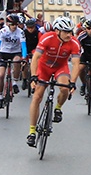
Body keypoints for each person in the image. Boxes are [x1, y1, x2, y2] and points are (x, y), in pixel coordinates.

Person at [26, 16, 81, 147]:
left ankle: (57, 108)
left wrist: (73, 81)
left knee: (65, 88)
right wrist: (33, 75)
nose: (69, 34)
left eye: (70, 31)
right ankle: (32, 132)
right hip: (44, 67)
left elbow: (76, 64)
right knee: (37, 96)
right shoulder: (47, 38)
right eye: (66, 31)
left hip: (60, 67)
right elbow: (36, 58)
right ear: (57, 31)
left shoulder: (74, 43)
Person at [0, 14, 26, 108]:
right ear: (8, 24)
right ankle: (0, 97)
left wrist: (24, 58)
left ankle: (15, 82)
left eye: (16, 24)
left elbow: (23, 46)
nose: (14, 26)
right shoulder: (2, 31)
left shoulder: (20, 32)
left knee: (17, 61)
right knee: (1, 75)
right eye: (12, 24)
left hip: (16, 52)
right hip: (3, 53)